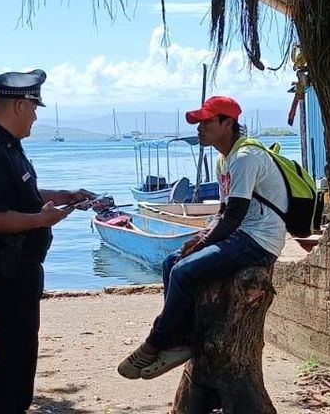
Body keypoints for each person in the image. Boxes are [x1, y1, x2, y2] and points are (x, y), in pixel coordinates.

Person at [0, 69, 95, 414]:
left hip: (23, 265)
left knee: (24, 349)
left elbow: (23, 192)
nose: (36, 116)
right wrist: (41, 220)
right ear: (19, 105)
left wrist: (66, 195)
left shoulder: (8, 145)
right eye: (34, 108)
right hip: (6, 268)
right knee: (11, 355)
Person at [118, 96, 288, 380]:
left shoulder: (245, 158)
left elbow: (233, 217)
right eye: (198, 123)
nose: (199, 128)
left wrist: (201, 243)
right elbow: (223, 213)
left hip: (259, 241)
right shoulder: (225, 160)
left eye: (206, 122)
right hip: (241, 234)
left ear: (228, 123)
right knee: (172, 262)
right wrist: (200, 237)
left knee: (183, 271)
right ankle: (180, 340)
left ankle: (156, 342)